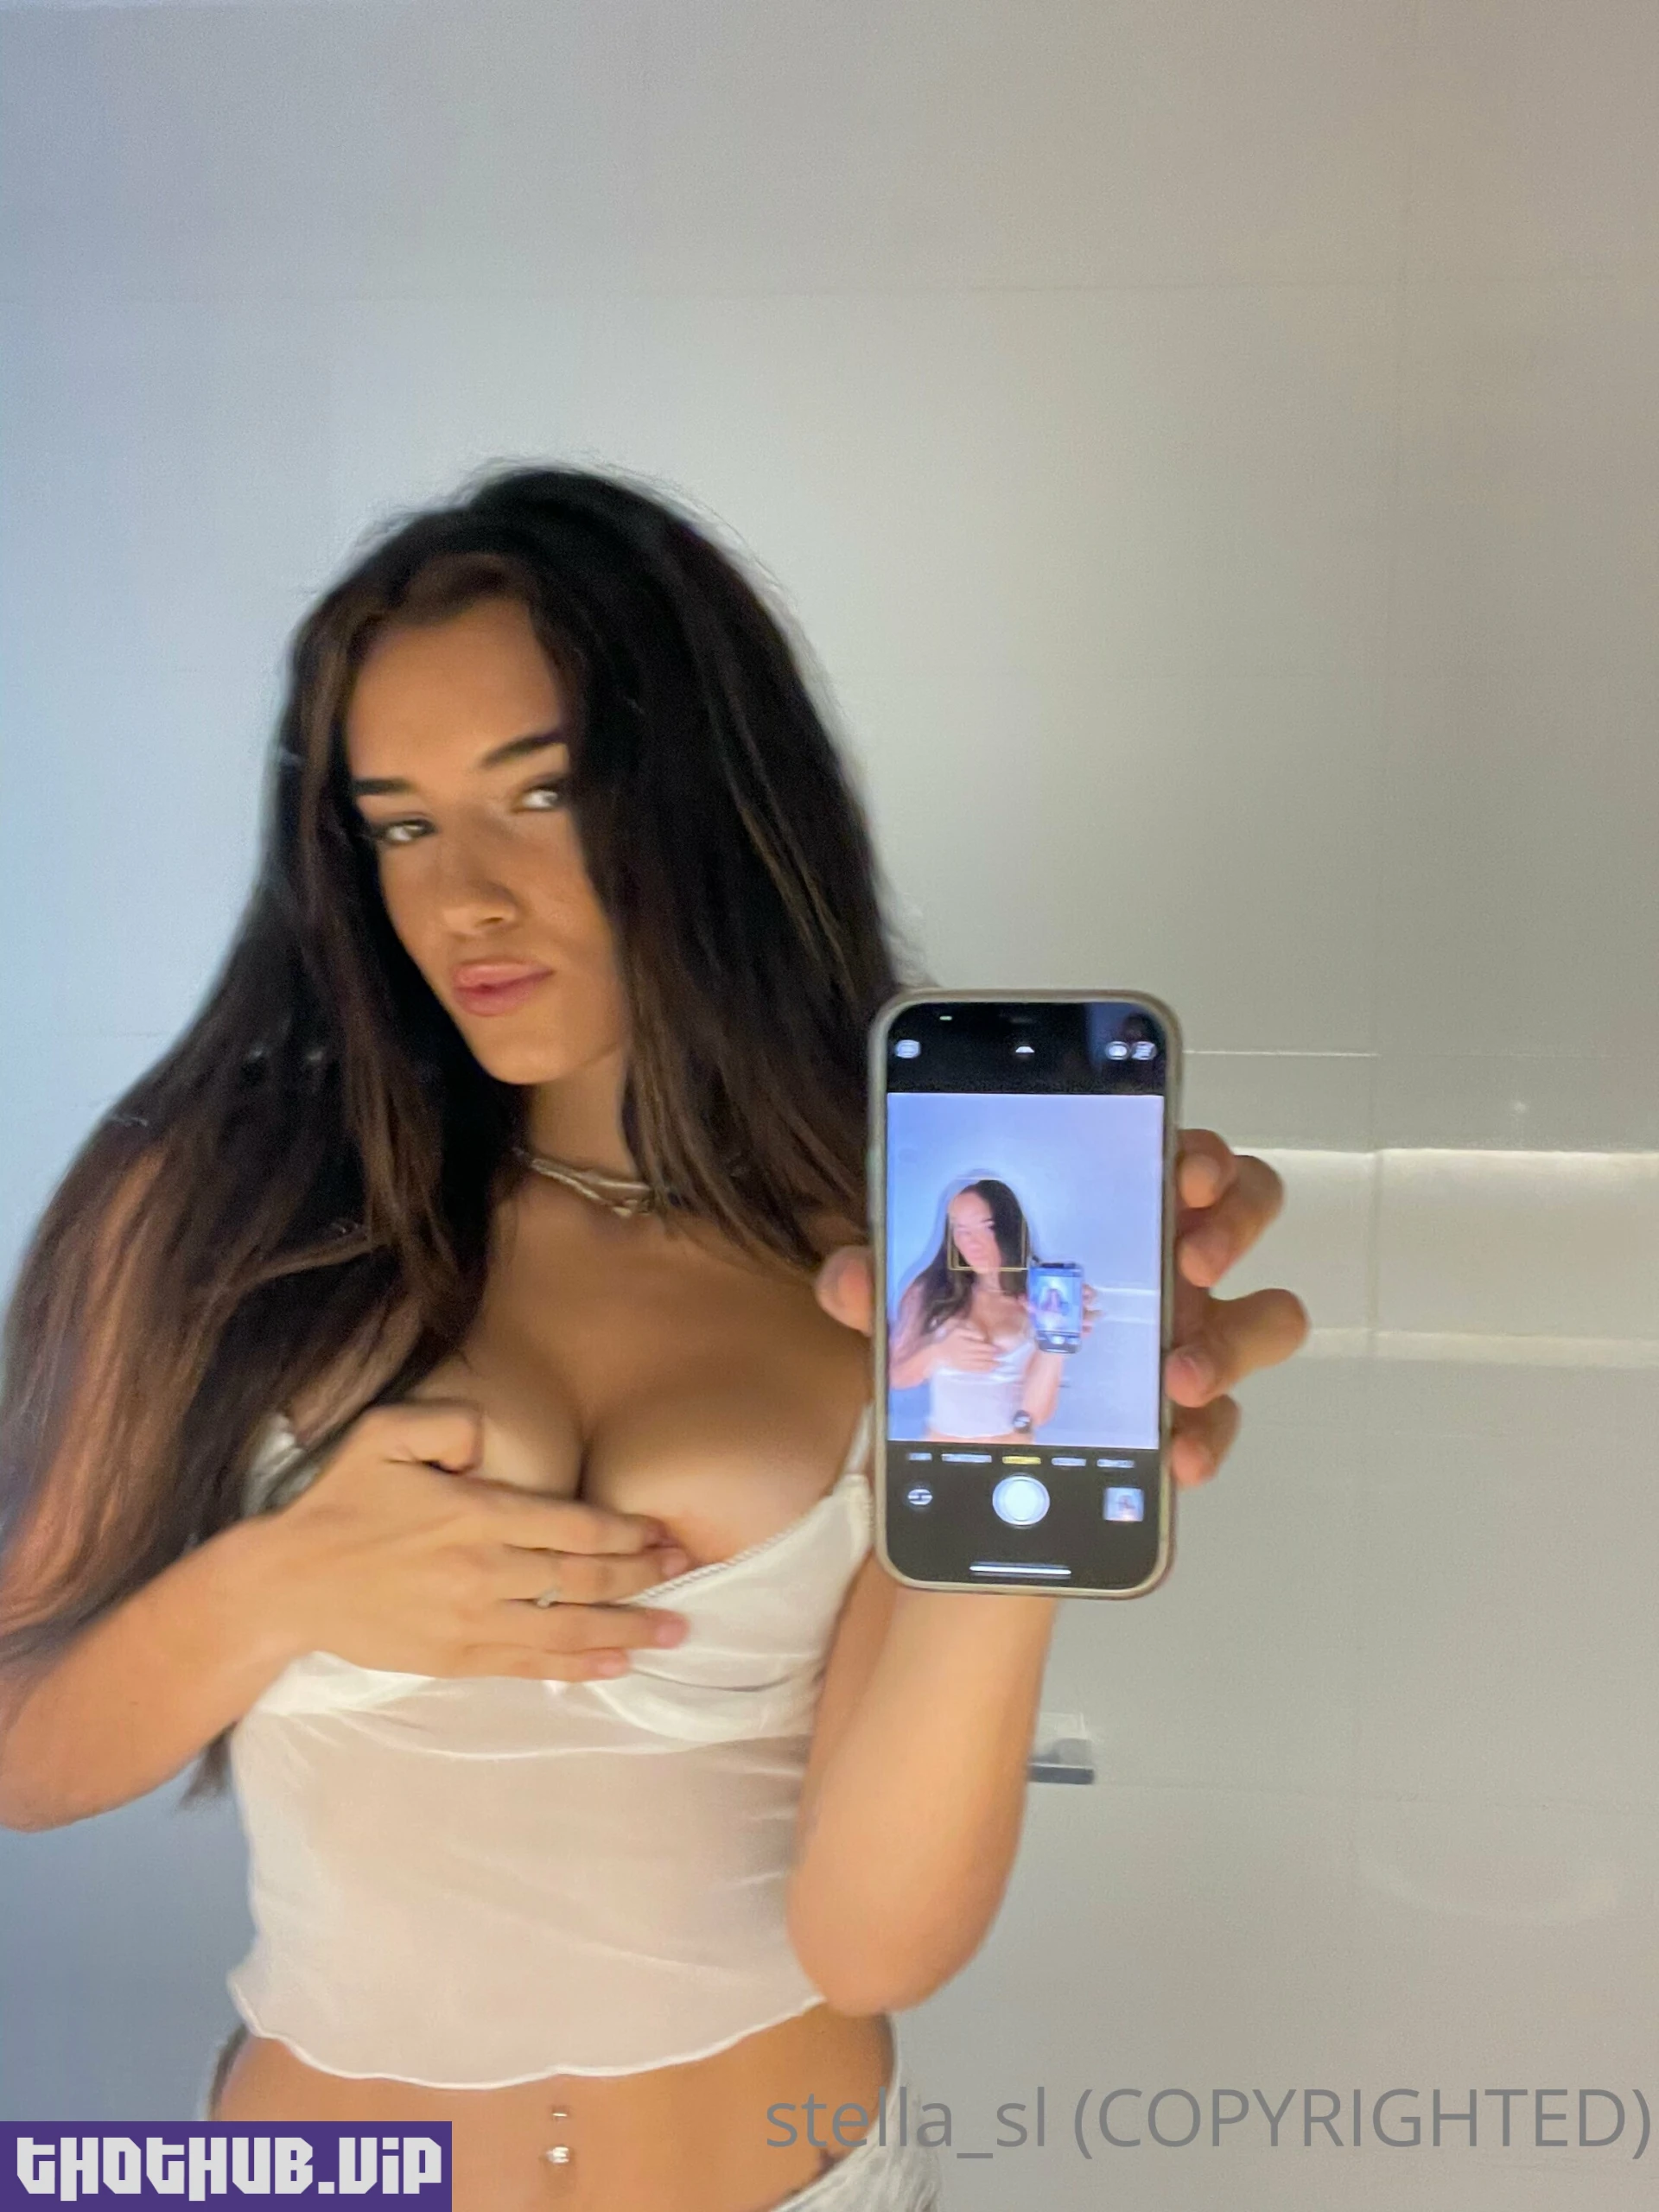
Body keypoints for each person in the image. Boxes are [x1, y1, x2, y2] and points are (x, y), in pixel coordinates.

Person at [0, 465, 1307, 2212]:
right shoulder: (212, 1198)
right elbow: (22, 1750)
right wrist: (278, 1586)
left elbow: (874, 1938)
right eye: (400, 826)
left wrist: (1024, 1486)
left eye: (541, 795)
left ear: (716, 795)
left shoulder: (901, 1253)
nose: (465, 898)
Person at [889, 1180, 1086, 1443]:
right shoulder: (929, 1289)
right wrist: (938, 1353)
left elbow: (1033, 1415)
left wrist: (1056, 1343)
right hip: (943, 1453)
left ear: (1008, 1228)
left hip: (1013, 1454)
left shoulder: (1039, 1296)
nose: (972, 1242)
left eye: (987, 1227)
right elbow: (892, 1376)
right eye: (960, 1229)